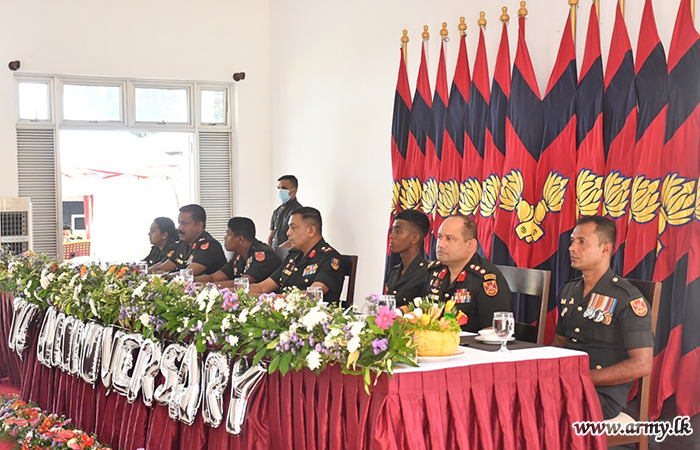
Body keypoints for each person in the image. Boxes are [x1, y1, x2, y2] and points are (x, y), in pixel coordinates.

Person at [552, 215, 653, 420]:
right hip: (566, 383)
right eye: (572, 241)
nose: (572, 248)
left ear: (605, 249)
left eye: (582, 242)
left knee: (543, 408)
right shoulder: (569, 290)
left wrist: (584, 377)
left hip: (601, 394)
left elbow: (642, 364)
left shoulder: (627, 298)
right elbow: (558, 344)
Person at [425, 214, 512, 332]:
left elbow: (495, 331)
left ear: (470, 245)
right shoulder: (434, 271)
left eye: (449, 239)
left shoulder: (485, 279)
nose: (440, 244)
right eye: (440, 237)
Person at [250, 206, 344, 301]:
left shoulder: (329, 258)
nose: (288, 233)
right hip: (284, 308)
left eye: (293, 228)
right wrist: (241, 292)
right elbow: (262, 288)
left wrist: (270, 299)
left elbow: (313, 295)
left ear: (311, 231)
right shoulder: (294, 256)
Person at [195, 217, 281, 286]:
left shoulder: (264, 255)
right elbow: (213, 278)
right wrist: (193, 281)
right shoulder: (239, 255)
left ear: (240, 239)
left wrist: (208, 286)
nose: (225, 238)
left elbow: (242, 283)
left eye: (229, 235)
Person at [150, 204, 227, 276]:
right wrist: (145, 272)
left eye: (184, 223)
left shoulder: (209, 246)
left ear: (199, 226)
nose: (179, 228)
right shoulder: (182, 244)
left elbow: (188, 274)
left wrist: (166, 275)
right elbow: (164, 267)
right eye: (179, 223)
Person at [385, 209, 430, 307]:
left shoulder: (426, 273)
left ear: (414, 238)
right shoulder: (394, 272)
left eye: (398, 231)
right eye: (393, 231)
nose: (392, 236)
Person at [268, 175, 302, 249]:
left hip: (289, 253)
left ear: (294, 190)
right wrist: (269, 251)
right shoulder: (276, 211)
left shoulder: (298, 212)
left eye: (284, 188)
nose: (280, 191)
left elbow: (295, 238)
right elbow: (271, 236)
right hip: (275, 253)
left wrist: (278, 251)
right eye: (278, 188)